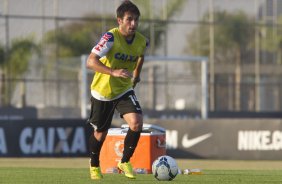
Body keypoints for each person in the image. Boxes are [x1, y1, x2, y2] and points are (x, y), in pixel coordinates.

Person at [86, 0, 148, 180]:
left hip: (123, 90)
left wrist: (136, 75)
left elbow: (140, 56)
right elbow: (90, 61)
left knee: (136, 122)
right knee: (100, 133)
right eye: (129, 20)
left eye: (136, 20)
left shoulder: (142, 41)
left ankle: (124, 161)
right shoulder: (110, 38)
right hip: (102, 91)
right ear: (119, 20)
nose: (133, 24)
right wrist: (113, 71)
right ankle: (94, 164)